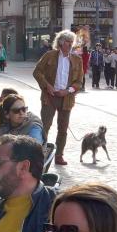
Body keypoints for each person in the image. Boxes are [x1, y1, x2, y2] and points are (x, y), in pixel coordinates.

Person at [33, 30, 84, 166]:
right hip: (49, 97)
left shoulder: (77, 60)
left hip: (66, 99)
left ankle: (59, 154)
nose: (70, 44)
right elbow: (37, 72)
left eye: (72, 42)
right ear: (61, 43)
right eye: (68, 42)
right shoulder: (50, 55)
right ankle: (40, 153)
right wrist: (47, 86)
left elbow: (79, 81)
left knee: (63, 128)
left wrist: (68, 91)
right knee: (45, 126)